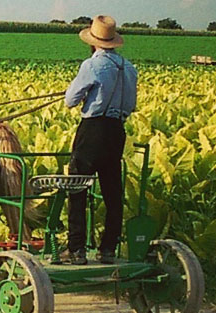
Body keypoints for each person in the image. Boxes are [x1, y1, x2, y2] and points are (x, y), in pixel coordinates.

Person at [64, 15, 138, 265]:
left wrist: (86, 95)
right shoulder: (129, 68)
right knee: (112, 190)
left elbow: (71, 100)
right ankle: (107, 248)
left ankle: (76, 249)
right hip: (116, 130)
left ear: (93, 42)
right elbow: (130, 105)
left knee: (77, 187)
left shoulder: (92, 65)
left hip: (92, 130)